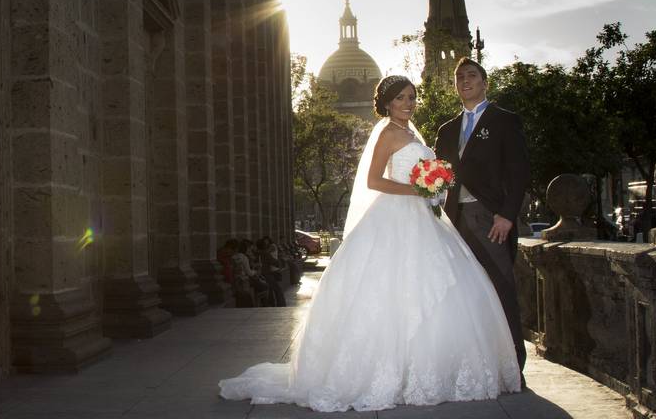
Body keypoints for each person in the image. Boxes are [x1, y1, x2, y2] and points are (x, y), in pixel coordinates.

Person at [219, 75, 520, 412]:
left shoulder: (412, 133)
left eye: (412, 97)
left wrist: (434, 190)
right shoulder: (389, 133)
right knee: (388, 289)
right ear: (388, 103)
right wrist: (417, 190)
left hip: (423, 218)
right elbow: (374, 180)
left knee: (439, 287)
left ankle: (429, 367)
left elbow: (425, 174)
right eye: (401, 98)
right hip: (393, 215)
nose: (408, 103)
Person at [435, 57, 531, 378]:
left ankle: (514, 365)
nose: (465, 80)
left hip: (490, 218)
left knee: (501, 287)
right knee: (464, 293)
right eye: (459, 77)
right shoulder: (446, 130)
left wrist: (506, 215)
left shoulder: (504, 120)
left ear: (484, 81)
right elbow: (440, 176)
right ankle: (475, 363)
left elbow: (519, 173)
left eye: (471, 75)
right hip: (454, 220)